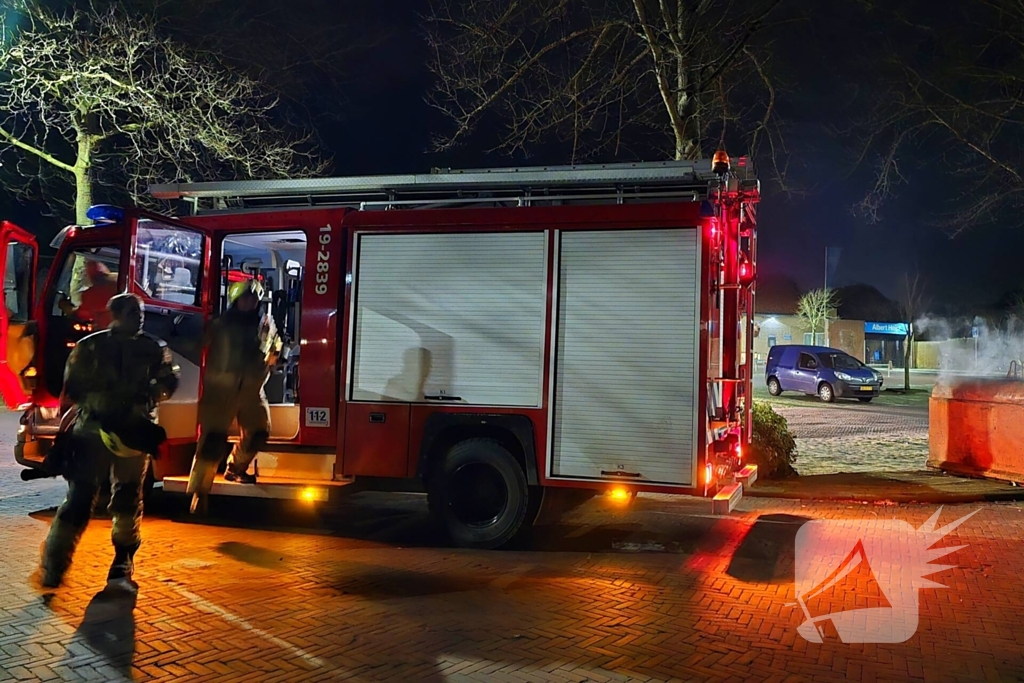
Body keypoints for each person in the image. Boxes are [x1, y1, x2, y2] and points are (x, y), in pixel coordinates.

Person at [39, 293, 179, 589]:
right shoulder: (90, 346)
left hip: (133, 433)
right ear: (114, 314)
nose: (139, 316)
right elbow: (73, 387)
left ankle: (123, 561)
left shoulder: (153, 348)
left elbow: (169, 381)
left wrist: (151, 396)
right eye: (131, 312)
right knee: (79, 499)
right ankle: (54, 562)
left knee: (127, 498)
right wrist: (105, 403)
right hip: (92, 430)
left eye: (140, 311)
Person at [187, 279, 280, 515]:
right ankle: (200, 494)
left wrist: (276, 359)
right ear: (235, 300)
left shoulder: (267, 324)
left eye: (253, 299)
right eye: (245, 298)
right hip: (220, 392)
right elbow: (194, 344)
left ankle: (236, 468)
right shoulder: (220, 324)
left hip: (252, 391)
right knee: (212, 442)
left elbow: (276, 348)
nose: (249, 303)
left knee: (259, 433)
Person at [58, 260, 118, 330]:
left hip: (107, 332)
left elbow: (80, 314)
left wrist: (64, 306)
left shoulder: (94, 294)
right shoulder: (119, 278)